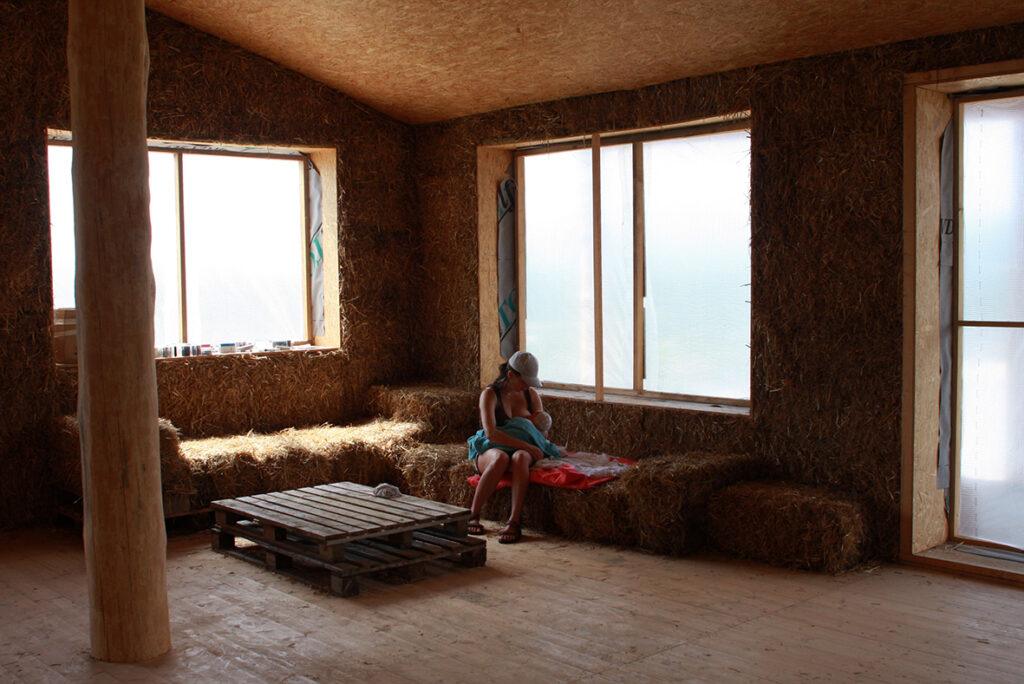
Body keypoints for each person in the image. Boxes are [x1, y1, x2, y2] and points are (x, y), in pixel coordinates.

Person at [465, 351, 560, 543]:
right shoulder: (490, 395)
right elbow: (491, 433)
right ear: (510, 375)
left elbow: (541, 431)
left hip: (523, 448)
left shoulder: (530, 395)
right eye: (524, 381)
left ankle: (514, 521)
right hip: (494, 445)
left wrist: (536, 430)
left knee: (520, 457)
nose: (527, 385)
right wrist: (526, 445)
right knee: (500, 458)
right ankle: (473, 514)